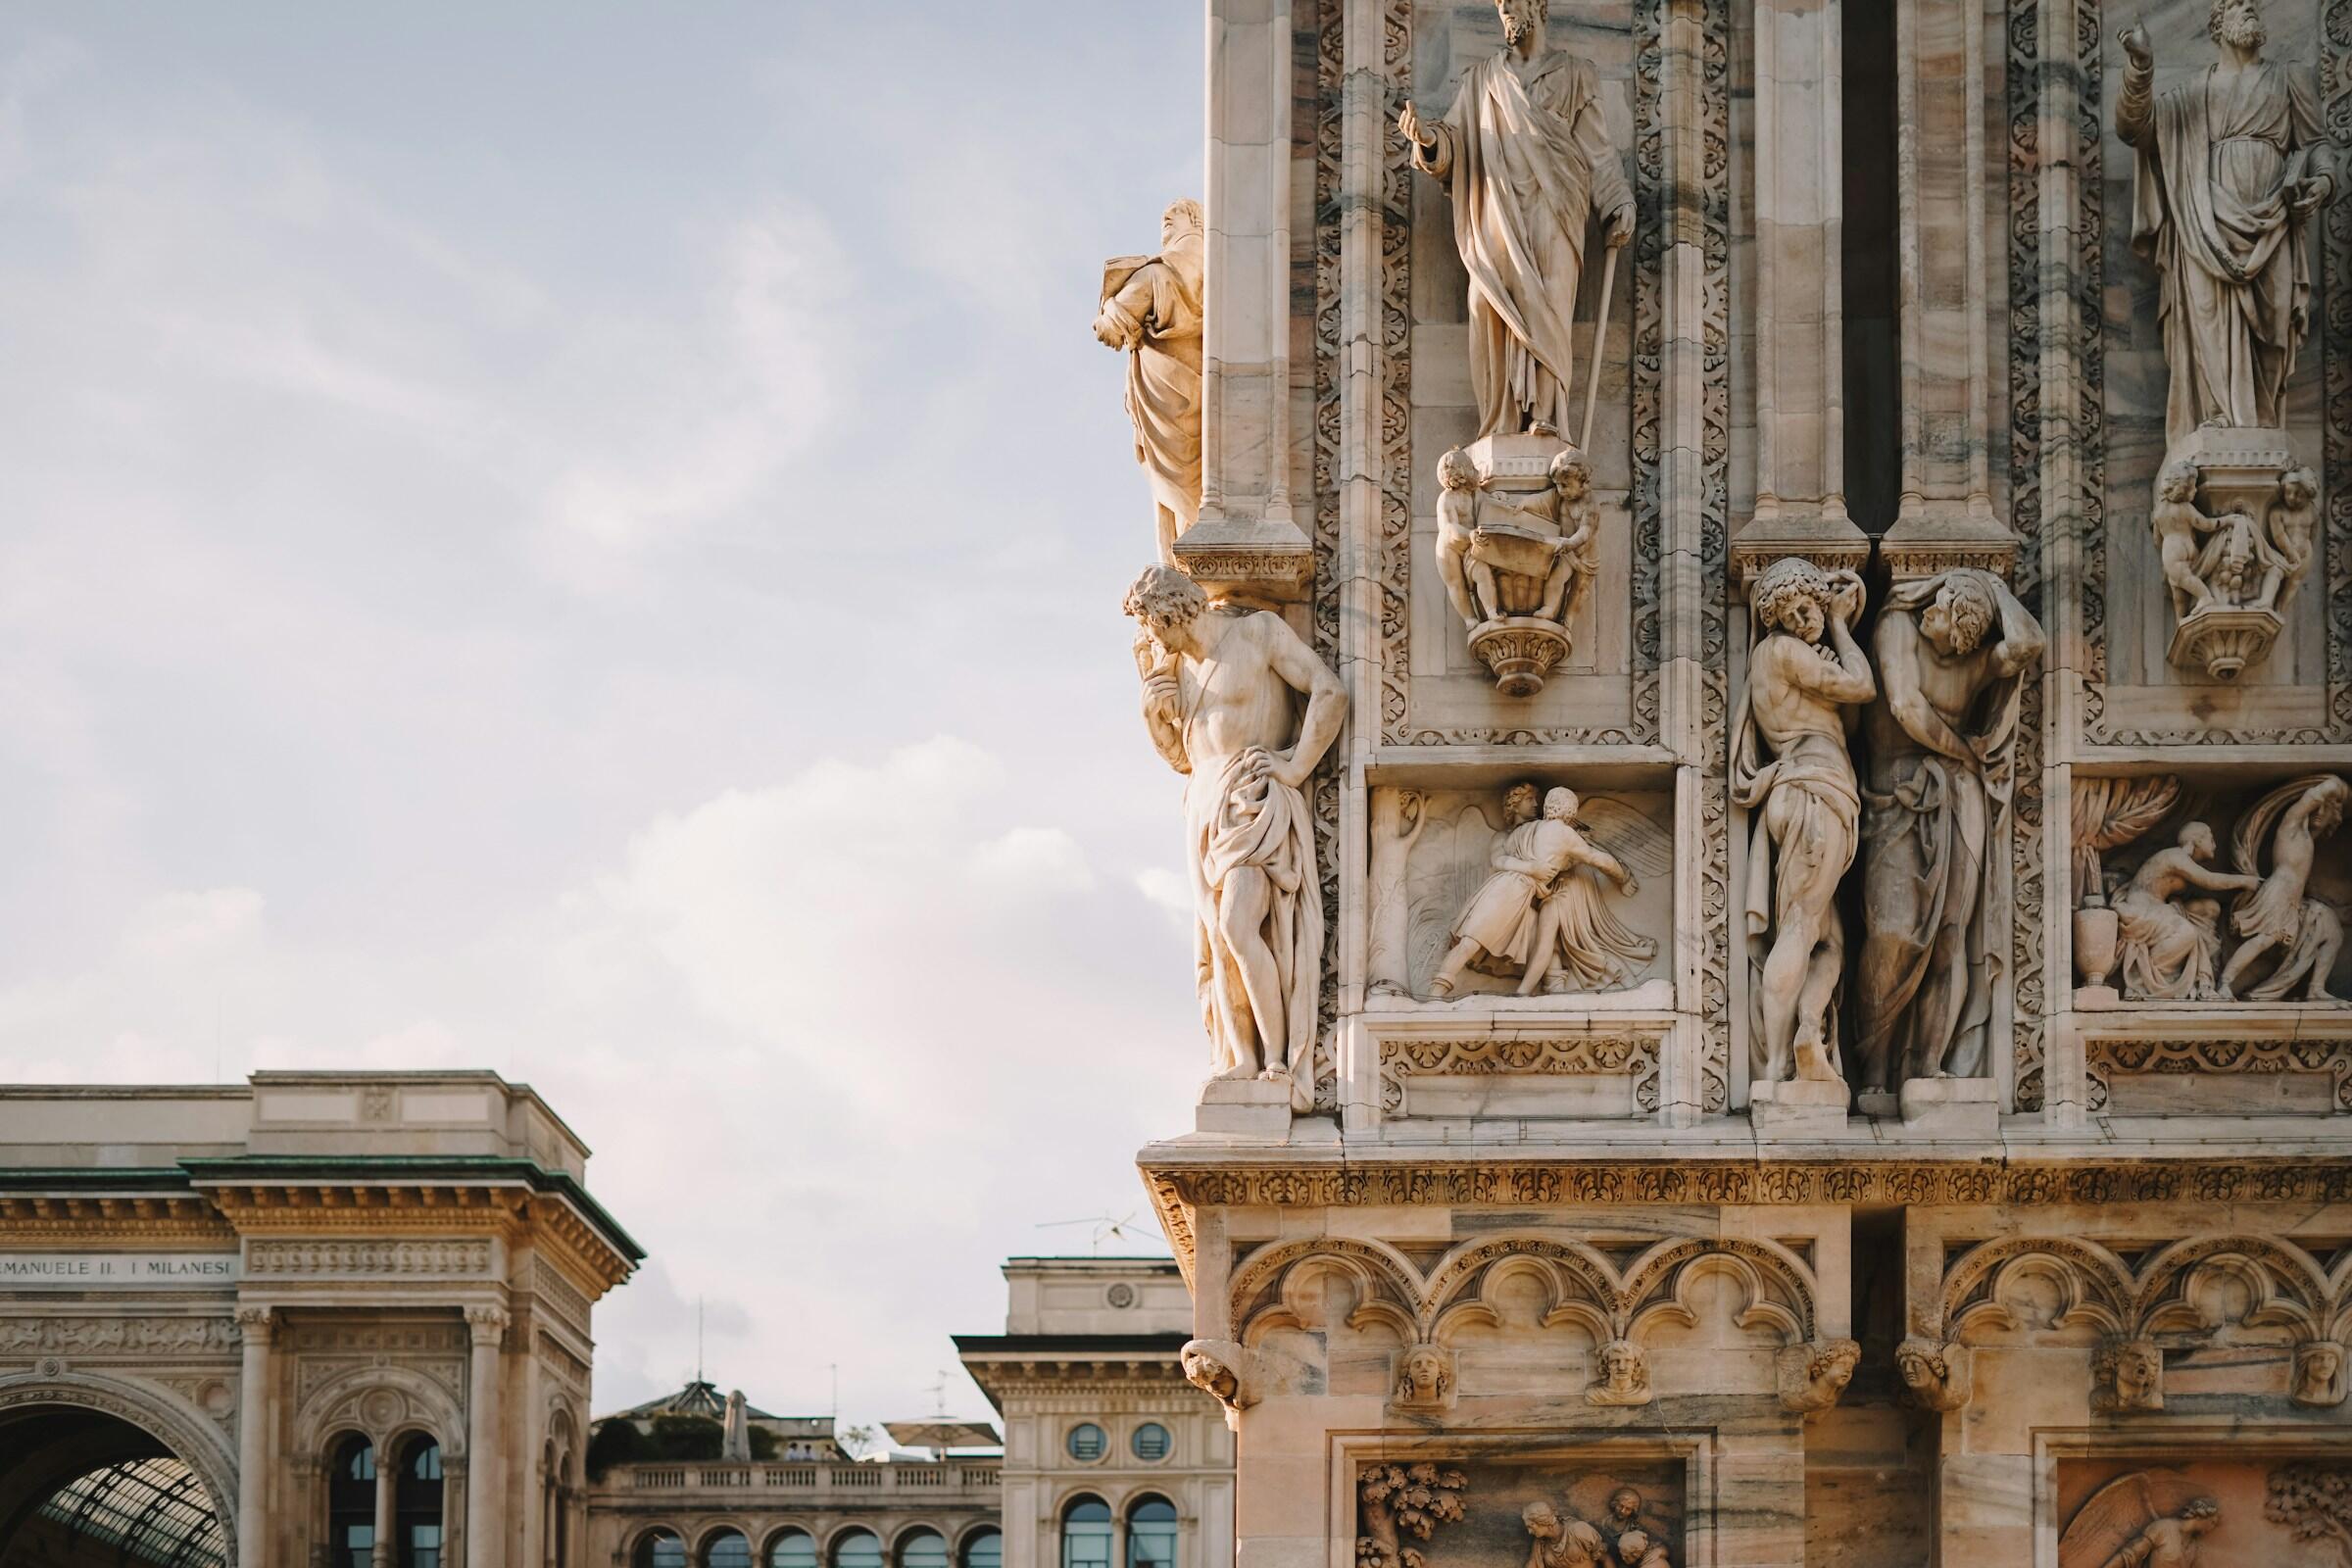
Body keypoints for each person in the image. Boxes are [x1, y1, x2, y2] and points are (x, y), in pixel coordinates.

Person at [1127, 565, 1346, 1108]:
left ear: (1172, 612)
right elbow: (1181, 757)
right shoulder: (1176, 671)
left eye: (1153, 628)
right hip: (1203, 807)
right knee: (1219, 939)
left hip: (1253, 799)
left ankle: (1279, 1061)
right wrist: (1154, 715)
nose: (1152, 642)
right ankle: (1243, 1059)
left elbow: (1329, 691)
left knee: (1240, 924)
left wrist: (1296, 766)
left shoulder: (1258, 633)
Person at [1398, 0, 1634, 438]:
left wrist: (1617, 201)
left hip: (1556, 209)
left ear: (1539, 5)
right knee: (1484, 304)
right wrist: (1429, 139)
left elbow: (1599, 154)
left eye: (1514, 1)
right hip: (1496, 214)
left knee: (1550, 308)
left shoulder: (1575, 74)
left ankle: (1546, 418)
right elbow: (1454, 139)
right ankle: (1500, 423)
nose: (1505, 8)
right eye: (1500, 4)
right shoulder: (1482, 80)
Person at [1854, 568, 2043, 1090]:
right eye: (1935, 607)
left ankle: (1926, 1066)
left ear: (1965, 637)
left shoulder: (1977, 661)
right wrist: (1964, 752)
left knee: (1949, 938)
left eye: (1944, 615)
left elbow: (2028, 642)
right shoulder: (1896, 623)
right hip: (1894, 792)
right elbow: (1905, 706)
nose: (1930, 616)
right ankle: (1871, 1066)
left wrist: (1994, 589)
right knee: (1891, 934)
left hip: (1960, 797)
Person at [2117, 2, 2335, 447]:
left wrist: (2325, 181)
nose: (2250, 10)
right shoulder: (2192, 94)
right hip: (2204, 222)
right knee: (2210, 320)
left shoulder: (2288, 77)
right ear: (2218, 25)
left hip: (2272, 221)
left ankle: (2263, 421)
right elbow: (2135, 128)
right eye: (2238, 5)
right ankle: (2218, 415)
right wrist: (2141, 66)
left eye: (2254, 5)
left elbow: (2315, 144)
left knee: (2273, 326)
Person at [1733, 559, 1876, 1086]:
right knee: (1799, 926)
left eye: (1807, 606)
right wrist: (1839, 622)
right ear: (1775, 622)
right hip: (1817, 792)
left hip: (1800, 795)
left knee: (1829, 940)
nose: (1801, 618)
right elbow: (1862, 688)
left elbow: (1849, 719)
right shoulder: (1785, 650)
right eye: (1790, 613)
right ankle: (1775, 1071)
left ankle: (1809, 1028)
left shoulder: (1776, 662)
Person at [1431, 787, 1635, 997]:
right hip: (1514, 890)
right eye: (1529, 799)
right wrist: (1624, 876)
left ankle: (1545, 991)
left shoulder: (1522, 832)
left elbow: (1517, 860)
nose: (1535, 804)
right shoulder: (1562, 833)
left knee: (1541, 939)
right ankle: (1436, 994)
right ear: (1571, 811)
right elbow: (1597, 859)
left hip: (1512, 889)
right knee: (1473, 941)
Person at [1096, 201, 1206, 564]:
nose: (1164, 223)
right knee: (1192, 476)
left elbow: (1113, 328)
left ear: (1192, 218)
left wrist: (1111, 313)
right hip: (1192, 381)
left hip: (1169, 384)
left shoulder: (1173, 261)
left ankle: (1185, 557)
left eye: (1171, 216)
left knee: (1175, 479)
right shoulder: (1218, 258)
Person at [2223, 774, 2350, 1002]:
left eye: (2327, 810)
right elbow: (2313, 796)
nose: (2319, 813)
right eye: (2318, 808)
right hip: (2278, 895)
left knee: (2332, 931)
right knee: (2263, 940)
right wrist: (2338, 788)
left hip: (2293, 900)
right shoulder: (2292, 826)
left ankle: (2315, 989)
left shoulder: (2308, 840)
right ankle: (2224, 983)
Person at [2112, 823, 2259, 1001]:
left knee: (2209, 908)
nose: (2215, 845)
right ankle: (2147, 977)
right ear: (2196, 840)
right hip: (2143, 908)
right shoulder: (2176, 856)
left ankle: (2205, 975)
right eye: (2211, 839)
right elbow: (2209, 880)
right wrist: (2245, 881)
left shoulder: (2183, 861)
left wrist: (2175, 901)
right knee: (2187, 932)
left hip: (2160, 906)